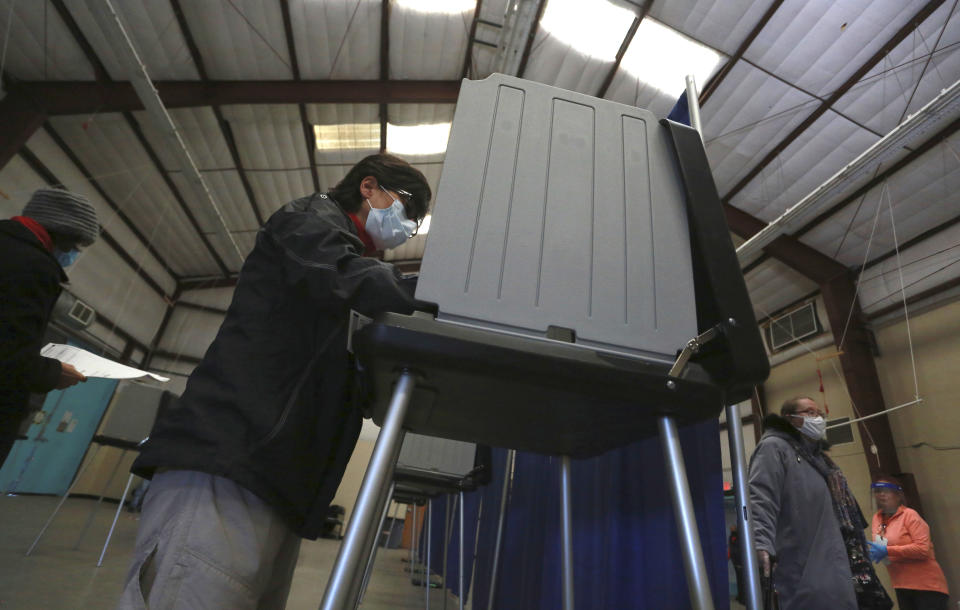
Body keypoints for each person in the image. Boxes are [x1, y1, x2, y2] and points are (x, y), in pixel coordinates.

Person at [117, 154, 431, 610]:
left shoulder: (343, 254)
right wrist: (439, 293)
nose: (409, 227)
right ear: (369, 187)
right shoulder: (309, 223)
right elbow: (341, 277)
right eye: (407, 209)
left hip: (275, 475)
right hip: (230, 456)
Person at [748, 396, 892, 610]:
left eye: (820, 414)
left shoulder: (821, 462)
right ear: (790, 418)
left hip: (838, 566)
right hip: (805, 568)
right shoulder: (774, 448)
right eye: (809, 412)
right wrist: (761, 544)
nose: (818, 419)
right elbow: (760, 497)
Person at [0, 188, 98, 466]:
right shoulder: (32, 266)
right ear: (64, 236)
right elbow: (8, 354)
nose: (73, 255)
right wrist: (52, 373)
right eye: (76, 247)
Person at [867, 475, 950, 610]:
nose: (881, 495)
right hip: (900, 585)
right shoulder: (877, 519)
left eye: (886, 491)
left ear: (898, 495)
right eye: (877, 491)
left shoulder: (909, 515)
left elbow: (923, 550)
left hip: (927, 586)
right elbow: (882, 549)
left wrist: (888, 551)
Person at [729, 524, 745, 604]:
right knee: (739, 580)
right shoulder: (732, 537)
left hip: (740, 562)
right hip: (735, 562)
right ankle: (740, 596)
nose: (731, 528)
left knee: (742, 581)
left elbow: (739, 550)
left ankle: (743, 598)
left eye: (733, 527)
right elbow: (731, 548)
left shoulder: (739, 537)